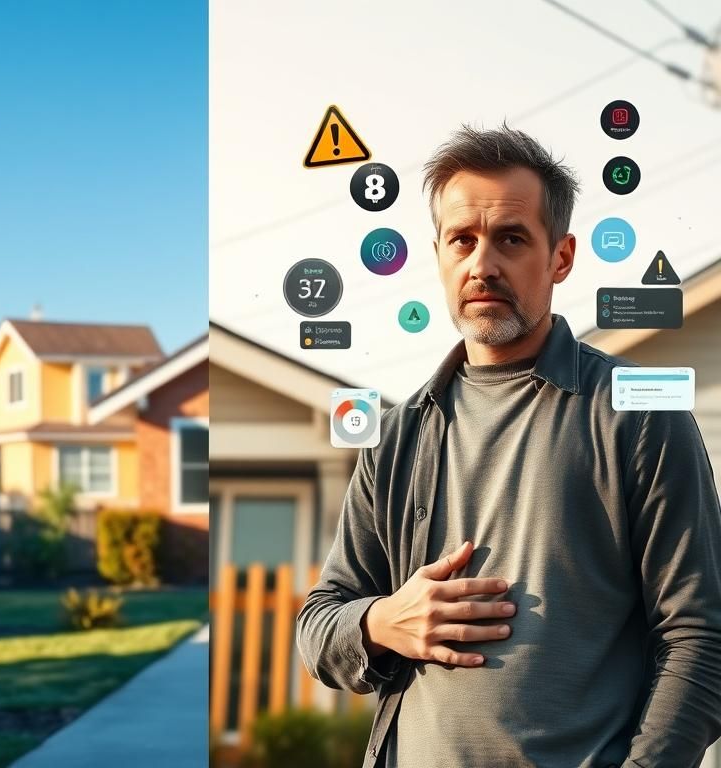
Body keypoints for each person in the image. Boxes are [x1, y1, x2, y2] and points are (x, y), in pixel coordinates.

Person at [295, 123, 721, 768]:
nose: (482, 264)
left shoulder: (637, 411)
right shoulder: (398, 433)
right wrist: (385, 621)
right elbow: (319, 624)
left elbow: (701, 635)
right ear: (436, 252)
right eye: (461, 240)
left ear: (562, 257)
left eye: (511, 238)